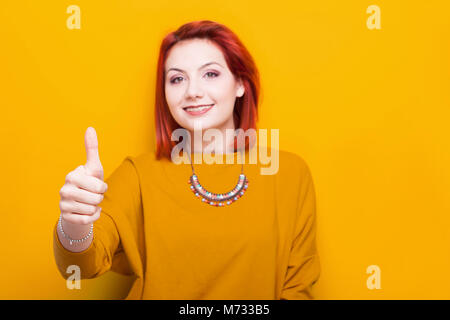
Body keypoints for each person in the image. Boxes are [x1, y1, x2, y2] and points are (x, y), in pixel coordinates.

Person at [53, 20, 320, 300]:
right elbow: (78, 266)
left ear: (240, 83)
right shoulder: (139, 175)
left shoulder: (289, 173)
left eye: (211, 74)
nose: (192, 91)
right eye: (177, 79)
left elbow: (298, 288)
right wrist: (75, 222)